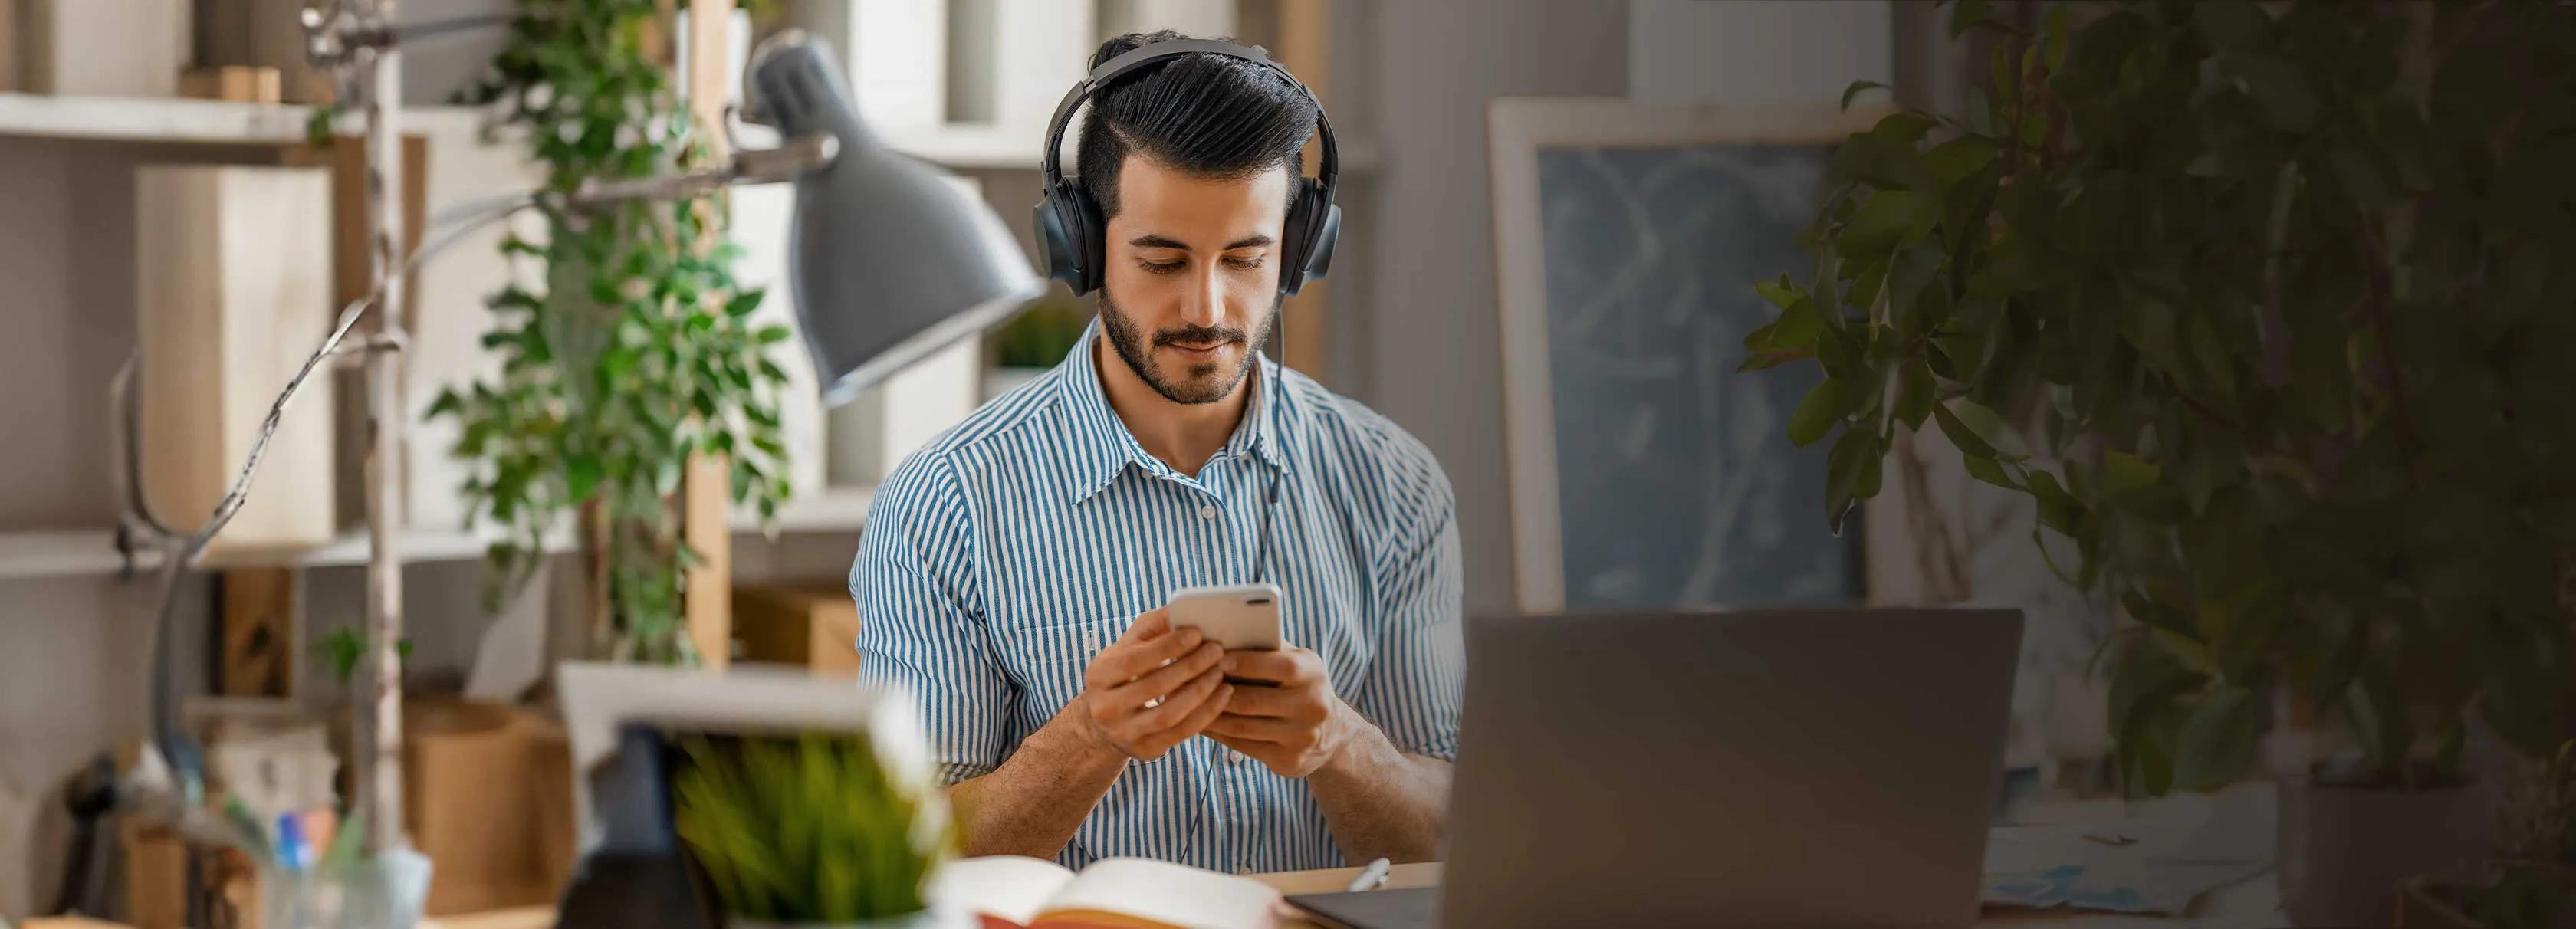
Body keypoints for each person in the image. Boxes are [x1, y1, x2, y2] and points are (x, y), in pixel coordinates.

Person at [849, 30, 1463, 875]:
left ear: (1300, 250)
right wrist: (1088, 738)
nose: (1208, 308)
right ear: (1084, 246)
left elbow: (1455, 846)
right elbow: (907, 860)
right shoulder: (943, 506)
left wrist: (1345, 748)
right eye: (1163, 259)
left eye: (1247, 259)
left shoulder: (1395, 485)